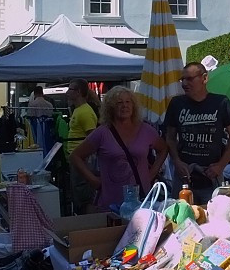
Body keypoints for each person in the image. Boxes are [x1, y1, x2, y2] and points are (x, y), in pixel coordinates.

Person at [70, 87, 168, 210]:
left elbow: (163, 149)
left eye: (128, 102)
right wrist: (93, 180)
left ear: (134, 106)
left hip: (142, 199)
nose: (124, 106)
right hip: (111, 200)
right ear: (111, 107)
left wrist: (151, 174)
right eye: (119, 103)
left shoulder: (146, 130)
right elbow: (75, 156)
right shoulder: (102, 132)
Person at [163, 62, 230, 204]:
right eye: (182, 79)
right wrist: (177, 162)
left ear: (204, 78)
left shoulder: (221, 102)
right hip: (184, 177)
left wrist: (221, 165)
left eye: (189, 79)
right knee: (180, 219)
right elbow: (170, 137)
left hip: (211, 176)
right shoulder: (176, 103)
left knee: (214, 218)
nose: (184, 83)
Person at [64, 79, 99, 214]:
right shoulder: (79, 110)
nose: (67, 92)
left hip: (83, 160)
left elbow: (93, 138)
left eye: (70, 89)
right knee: (79, 194)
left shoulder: (85, 112)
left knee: (85, 196)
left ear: (78, 92)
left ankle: (88, 224)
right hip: (77, 159)